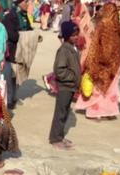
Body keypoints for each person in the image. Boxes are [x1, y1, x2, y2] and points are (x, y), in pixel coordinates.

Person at [75, 3, 120, 120]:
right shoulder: (117, 25)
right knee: (111, 87)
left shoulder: (103, 24)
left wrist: (91, 60)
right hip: (115, 62)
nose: (101, 11)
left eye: (103, 9)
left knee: (97, 87)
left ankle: (94, 112)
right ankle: (109, 112)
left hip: (101, 61)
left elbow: (96, 43)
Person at [48, 21, 80, 150]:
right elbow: (59, 70)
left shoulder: (73, 48)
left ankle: (60, 136)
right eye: (73, 35)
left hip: (71, 86)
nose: (76, 37)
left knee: (65, 113)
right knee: (60, 113)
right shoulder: (64, 50)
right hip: (65, 87)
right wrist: (72, 77)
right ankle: (55, 138)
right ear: (67, 36)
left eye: (77, 34)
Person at [2, 0, 32, 109]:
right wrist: (24, 35)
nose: (28, 4)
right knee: (9, 76)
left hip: (21, 50)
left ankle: (14, 97)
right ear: (19, 3)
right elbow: (12, 36)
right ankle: (9, 99)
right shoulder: (10, 17)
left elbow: (29, 29)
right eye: (26, 2)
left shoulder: (24, 15)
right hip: (12, 51)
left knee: (17, 76)